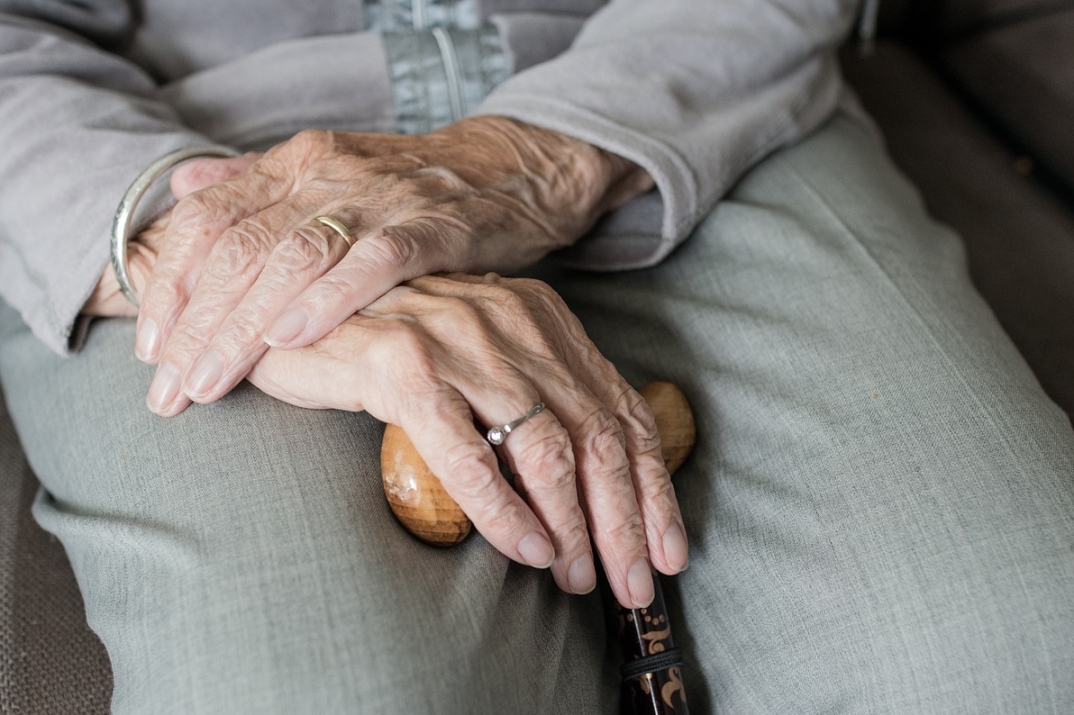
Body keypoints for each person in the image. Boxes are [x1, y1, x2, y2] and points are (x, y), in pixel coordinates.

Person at [0, 0, 1071, 713]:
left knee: (1015, 643)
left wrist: (530, 158)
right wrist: (224, 252)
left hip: (689, 91)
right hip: (171, 157)